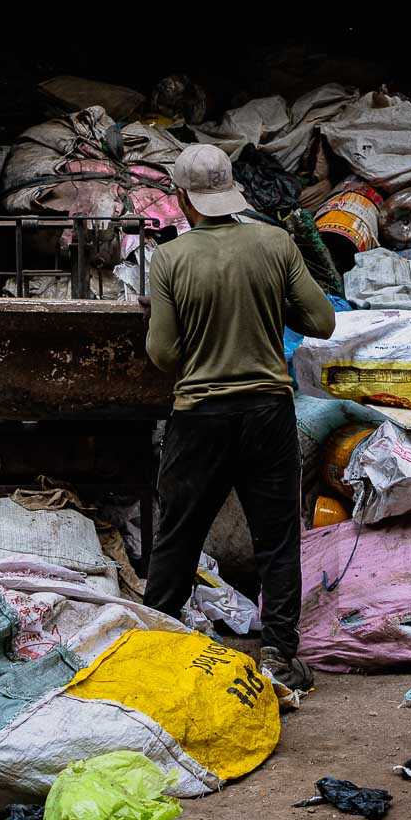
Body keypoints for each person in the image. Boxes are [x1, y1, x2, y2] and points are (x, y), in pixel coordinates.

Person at [142, 143, 336, 691]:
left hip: (199, 417)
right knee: (275, 536)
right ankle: (277, 654)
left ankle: (157, 642)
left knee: (178, 534)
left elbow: (162, 354)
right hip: (267, 413)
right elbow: (321, 322)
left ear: (182, 197)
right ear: (231, 190)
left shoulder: (171, 259)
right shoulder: (274, 244)